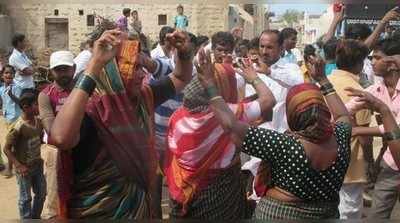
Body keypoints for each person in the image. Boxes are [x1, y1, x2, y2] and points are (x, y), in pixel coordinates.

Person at [47, 28, 193, 218]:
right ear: (113, 71)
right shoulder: (91, 110)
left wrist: (184, 52)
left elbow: (181, 77)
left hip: (138, 211)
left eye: (142, 67)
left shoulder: (142, 98)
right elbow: (60, 137)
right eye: (135, 68)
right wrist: (94, 65)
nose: (143, 75)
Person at [197, 47, 353, 219]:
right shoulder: (340, 137)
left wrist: (210, 86)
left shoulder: (285, 145)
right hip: (326, 214)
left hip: (280, 215)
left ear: (293, 113)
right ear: (324, 110)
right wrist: (323, 80)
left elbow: (231, 126)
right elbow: (343, 115)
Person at [165, 54, 276, 219]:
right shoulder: (227, 115)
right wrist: (253, 77)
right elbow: (268, 100)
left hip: (183, 191)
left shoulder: (177, 116)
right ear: (222, 88)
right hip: (219, 197)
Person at [346, 39, 400, 219]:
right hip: (390, 163)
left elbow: (396, 129)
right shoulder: (375, 90)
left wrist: (358, 131)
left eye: (377, 58)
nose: (372, 62)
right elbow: (348, 108)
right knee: (376, 216)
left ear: (392, 63)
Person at [328, 39, 372, 219]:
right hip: (351, 164)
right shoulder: (358, 91)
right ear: (359, 63)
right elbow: (363, 138)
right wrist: (370, 163)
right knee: (349, 213)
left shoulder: (323, 84)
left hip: (323, 159)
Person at [38, 51, 76, 219]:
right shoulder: (46, 95)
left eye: (65, 69)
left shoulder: (83, 89)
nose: (62, 74)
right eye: (58, 70)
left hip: (83, 147)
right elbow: (50, 128)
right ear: (51, 72)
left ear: (74, 69)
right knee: (55, 196)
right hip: (56, 150)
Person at [3, 88, 47, 219]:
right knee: (25, 198)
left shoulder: (38, 122)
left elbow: (40, 139)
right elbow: (6, 149)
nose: (39, 107)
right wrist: (18, 165)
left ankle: (35, 217)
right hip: (24, 169)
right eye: (36, 104)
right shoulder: (18, 127)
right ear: (26, 107)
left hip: (37, 165)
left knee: (41, 194)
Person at [0, 65, 23, 178]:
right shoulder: (1, 89)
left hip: (16, 119)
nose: (8, 75)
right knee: (14, 144)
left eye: (11, 73)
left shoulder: (16, 87)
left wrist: (11, 95)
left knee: (9, 145)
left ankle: (9, 168)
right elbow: (3, 102)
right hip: (7, 119)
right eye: (6, 73)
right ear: (2, 75)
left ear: (14, 75)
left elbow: (20, 102)